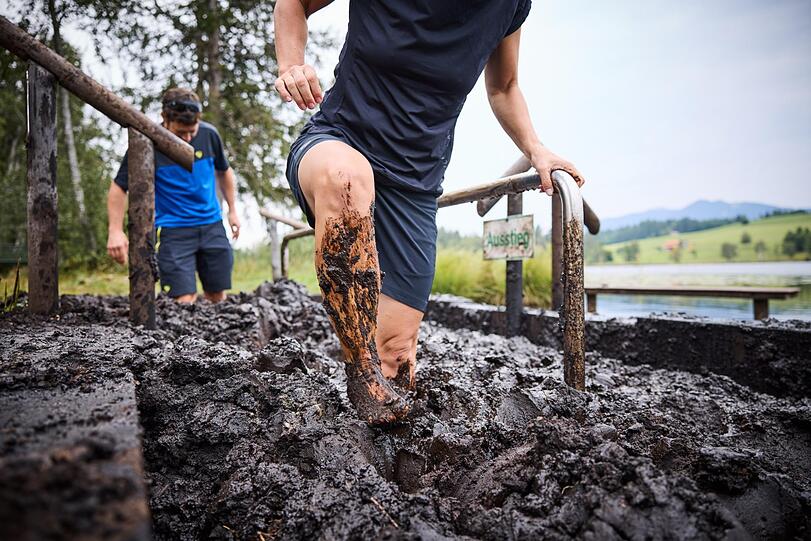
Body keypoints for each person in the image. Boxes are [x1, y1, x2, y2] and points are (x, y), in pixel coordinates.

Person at [274, 1, 585, 424]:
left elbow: (504, 87)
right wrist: (291, 64)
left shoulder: (510, 5)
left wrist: (536, 149)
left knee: (398, 358)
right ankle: (360, 371)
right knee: (347, 179)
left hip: (415, 183)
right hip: (339, 139)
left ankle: (378, 470)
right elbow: (292, 4)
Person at [106, 87, 241, 303]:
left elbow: (224, 172)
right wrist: (115, 230)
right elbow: (119, 187)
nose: (187, 139)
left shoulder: (209, 135)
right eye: (180, 133)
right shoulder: (146, 144)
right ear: (164, 119)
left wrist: (232, 210)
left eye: (192, 131)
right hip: (173, 231)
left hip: (212, 225)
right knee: (184, 299)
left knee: (218, 296)